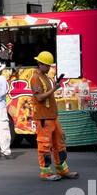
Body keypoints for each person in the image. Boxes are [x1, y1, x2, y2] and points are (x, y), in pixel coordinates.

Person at [32, 51, 78, 181]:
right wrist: (54, 89)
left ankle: (62, 169)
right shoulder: (36, 78)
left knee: (60, 143)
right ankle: (46, 173)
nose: (49, 68)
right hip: (43, 118)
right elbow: (39, 97)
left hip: (52, 116)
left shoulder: (47, 77)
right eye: (47, 65)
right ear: (40, 64)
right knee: (44, 145)